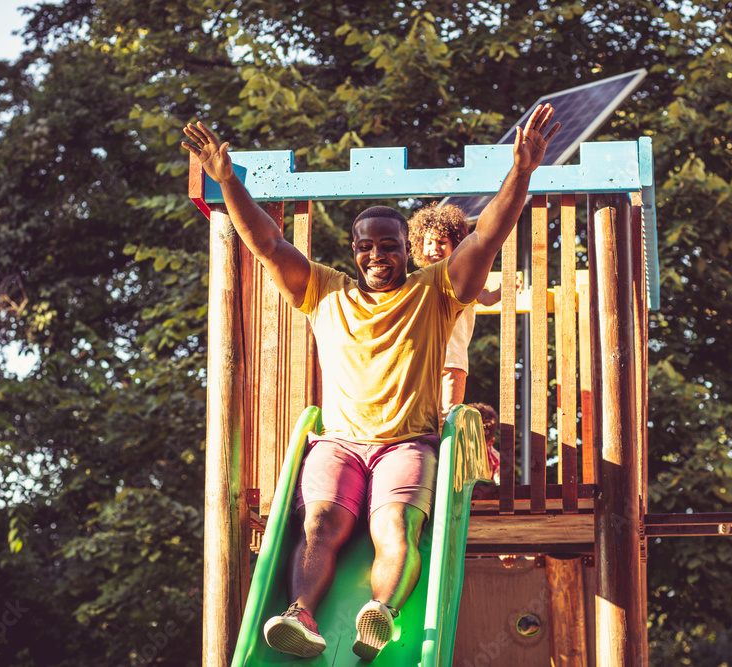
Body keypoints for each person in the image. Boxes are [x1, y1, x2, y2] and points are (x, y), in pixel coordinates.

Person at [181, 104, 559, 661]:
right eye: (366, 245)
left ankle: (378, 610)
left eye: (389, 244)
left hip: (407, 442)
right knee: (320, 523)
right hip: (338, 440)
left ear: (407, 248)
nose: (377, 254)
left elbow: (487, 238)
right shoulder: (324, 292)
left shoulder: (436, 291)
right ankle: (301, 615)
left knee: (395, 526)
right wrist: (228, 182)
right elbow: (267, 245)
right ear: (353, 250)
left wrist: (522, 173)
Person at [408, 203, 501, 419]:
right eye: (429, 242)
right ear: (419, 246)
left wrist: (501, 292)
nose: (435, 248)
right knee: (419, 413)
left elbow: (485, 298)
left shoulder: (463, 278)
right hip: (419, 359)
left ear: (455, 245)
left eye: (442, 242)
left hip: (451, 359)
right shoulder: (417, 281)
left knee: (446, 414)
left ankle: (442, 449)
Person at [466, 402, 501, 484]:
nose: (470, 449)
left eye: (477, 446)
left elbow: (501, 488)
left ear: (490, 442)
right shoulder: (453, 453)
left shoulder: (496, 460)